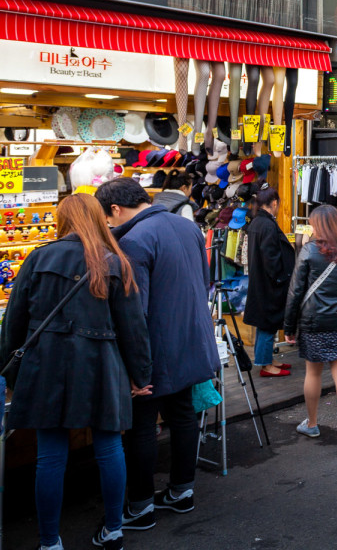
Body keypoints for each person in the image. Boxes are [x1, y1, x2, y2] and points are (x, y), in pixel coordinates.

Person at [1, 194, 152, 550]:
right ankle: (114, 529)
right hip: (101, 364)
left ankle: (49, 541)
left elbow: (14, 321)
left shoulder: (40, 256)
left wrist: (10, 374)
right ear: (99, 219)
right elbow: (134, 329)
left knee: (50, 455)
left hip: (46, 364)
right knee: (109, 446)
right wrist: (141, 376)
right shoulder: (115, 262)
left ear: (63, 219)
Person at [95, 178, 219, 531]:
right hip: (193, 340)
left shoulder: (133, 241)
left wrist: (137, 369)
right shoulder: (187, 226)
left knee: (142, 428)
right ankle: (182, 492)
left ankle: (140, 506)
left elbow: (138, 312)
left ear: (115, 209)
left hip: (155, 349)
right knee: (182, 418)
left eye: (107, 218)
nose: (108, 225)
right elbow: (204, 281)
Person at [284, 205, 337, 450]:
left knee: (313, 373)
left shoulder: (309, 251)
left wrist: (288, 326)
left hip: (315, 321)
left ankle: (312, 423)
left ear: (318, 225)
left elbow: (296, 291)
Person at [245, 188, 295, 377]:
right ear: (274, 203)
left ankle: (266, 359)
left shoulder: (258, 222)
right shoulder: (266, 224)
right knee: (268, 323)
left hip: (262, 282)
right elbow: (270, 257)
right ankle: (265, 365)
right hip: (269, 283)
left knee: (265, 324)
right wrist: (280, 277)